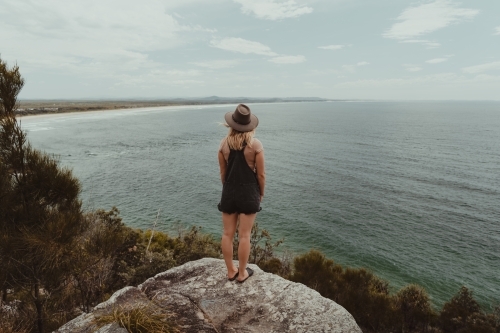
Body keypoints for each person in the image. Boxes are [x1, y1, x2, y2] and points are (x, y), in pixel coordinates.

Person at [218, 104, 265, 283]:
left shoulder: (223, 144)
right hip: (248, 193)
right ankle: (243, 272)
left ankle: (231, 271)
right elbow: (260, 174)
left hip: (229, 192)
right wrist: (260, 193)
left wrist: (229, 190)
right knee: (244, 235)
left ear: (231, 124)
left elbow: (223, 173)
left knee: (227, 233)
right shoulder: (255, 145)